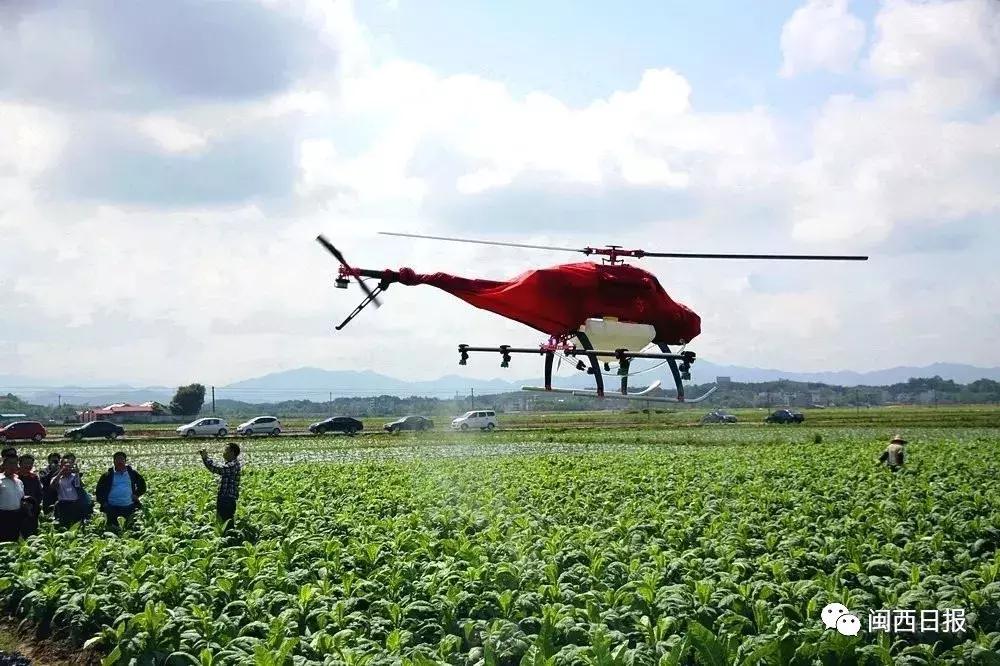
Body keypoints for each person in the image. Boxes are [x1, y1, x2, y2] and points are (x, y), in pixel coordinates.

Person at [95, 452, 146, 531]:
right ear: (114, 462)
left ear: (125, 461)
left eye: (121, 459)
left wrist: (136, 494)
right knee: (112, 530)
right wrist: (104, 503)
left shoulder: (132, 473)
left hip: (128, 506)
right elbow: (99, 491)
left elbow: (142, 485)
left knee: (129, 529)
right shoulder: (107, 475)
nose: (119, 462)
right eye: (117, 460)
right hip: (111, 507)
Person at [199, 443, 242, 528]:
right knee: (222, 524)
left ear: (232, 453)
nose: (223, 452)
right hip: (224, 498)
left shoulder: (233, 465)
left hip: (227, 499)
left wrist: (205, 458)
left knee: (226, 524)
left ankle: (230, 536)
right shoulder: (230, 464)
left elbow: (217, 469)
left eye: (226, 450)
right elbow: (216, 468)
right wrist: (205, 458)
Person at [50, 454, 87, 528]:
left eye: (69, 466)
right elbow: (53, 486)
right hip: (63, 505)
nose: (67, 468)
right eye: (65, 466)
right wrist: (61, 472)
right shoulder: (57, 478)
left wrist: (77, 473)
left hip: (75, 504)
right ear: (60, 466)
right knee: (64, 526)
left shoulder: (74, 476)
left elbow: (80, 485)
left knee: (76, 526)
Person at [0, 454, 25, 542]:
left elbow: (21, 498)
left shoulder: (19, 482)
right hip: (2, 516)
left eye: (15, 463)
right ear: (4, 465)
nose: (13, 466)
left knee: (14, 541)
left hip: (16, 516)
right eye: (10, 463)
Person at [17, 454, 42, 537]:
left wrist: (34, 504)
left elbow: (39, 494)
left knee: (31, 534)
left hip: (32, 510)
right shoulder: (15, 477)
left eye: (31, 463)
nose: (28, 465)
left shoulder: (34, 477)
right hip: (17, 509)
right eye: (26, 463)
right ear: (20, 464)